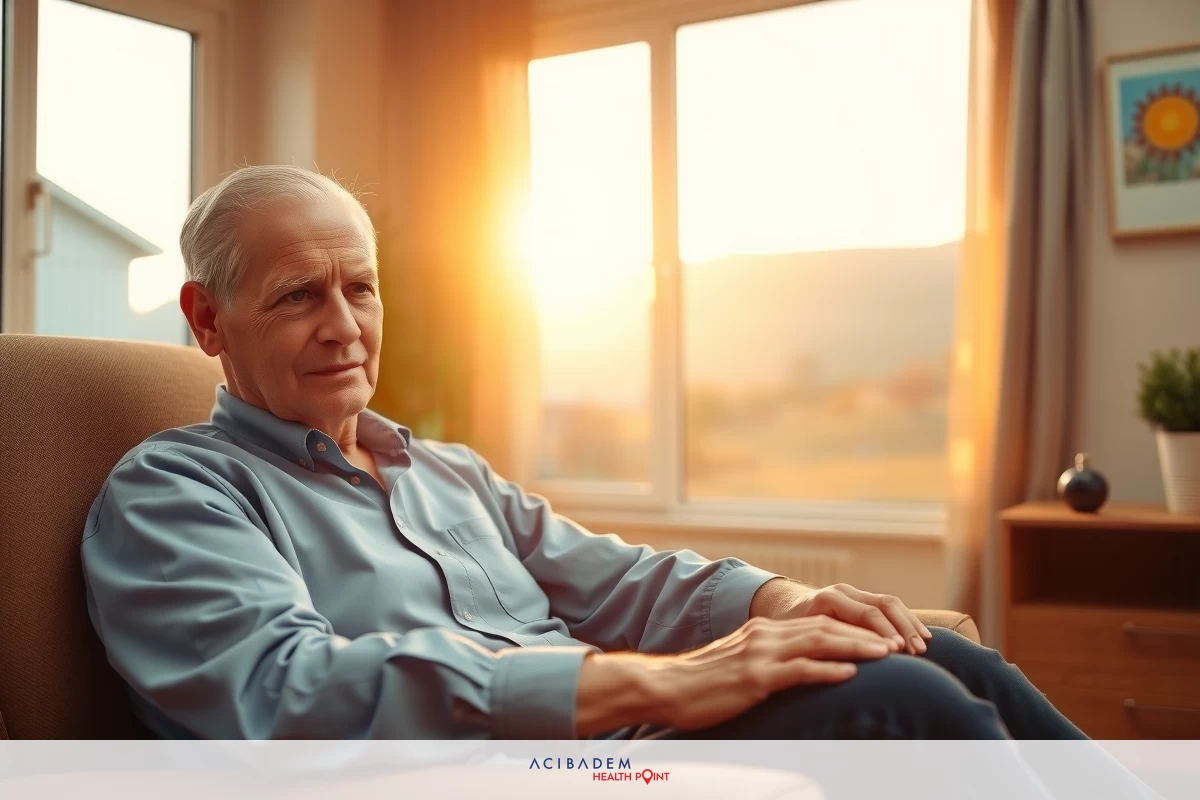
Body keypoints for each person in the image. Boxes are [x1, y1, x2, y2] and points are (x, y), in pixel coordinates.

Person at [81, 165, 1084, 741]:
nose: (344, 325)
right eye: (300, 293)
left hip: (623, 736)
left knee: (931, 647)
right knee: (896, 699)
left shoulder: (446, 472)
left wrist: (777, 601)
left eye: (361, 287)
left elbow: (621, 579)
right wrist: (658, 683)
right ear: (208, 319)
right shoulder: (174, 493)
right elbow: (285, 691)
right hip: (523, 765)